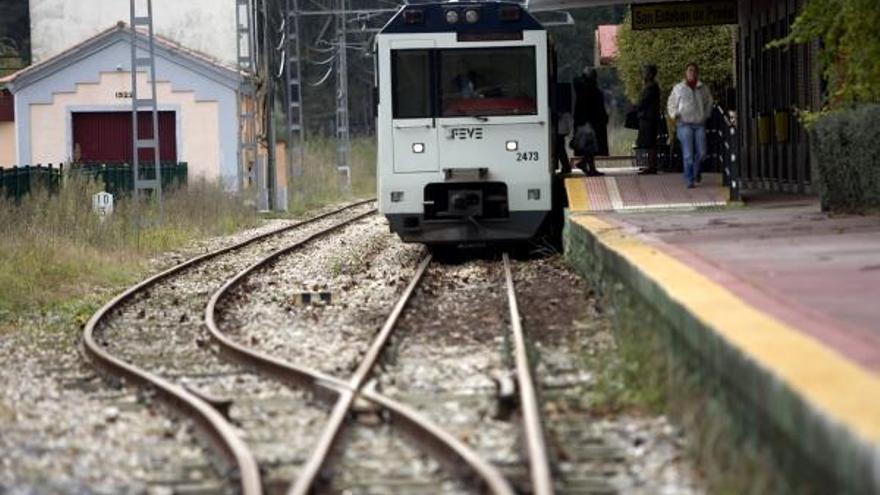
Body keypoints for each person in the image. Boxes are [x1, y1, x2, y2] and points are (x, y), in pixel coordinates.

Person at [667, 62, 713, 188]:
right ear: (686, 73)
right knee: (688, 154)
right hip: (684, 124)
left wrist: (706, 114)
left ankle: (696, 170)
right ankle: (689, 179)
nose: (692, 73)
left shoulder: (703, 88)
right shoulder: (679, 88)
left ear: (697, 73)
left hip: (699, 123)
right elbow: (671, 103)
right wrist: (674, 114)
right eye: (689, 71)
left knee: (702, 152)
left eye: (694, 71)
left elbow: (709, 101)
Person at [573, 67, 608, 176]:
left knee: (590, 146)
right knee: (589, 146)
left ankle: (588, 165)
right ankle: (587, 165)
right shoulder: (587, 89)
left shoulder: (584, 88)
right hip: (589, 122)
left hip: (588, 121)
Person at [635, 64, 661, 175]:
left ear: (650, 74)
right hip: (649, 117)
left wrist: (636, 107)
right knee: (649, 142)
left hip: (649, 118)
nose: (643, 74)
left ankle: (652, 165)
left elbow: (643, 102)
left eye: (645, 72)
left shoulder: (651, 87)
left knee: (650, 142)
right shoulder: (650, 86)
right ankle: (650, 164)